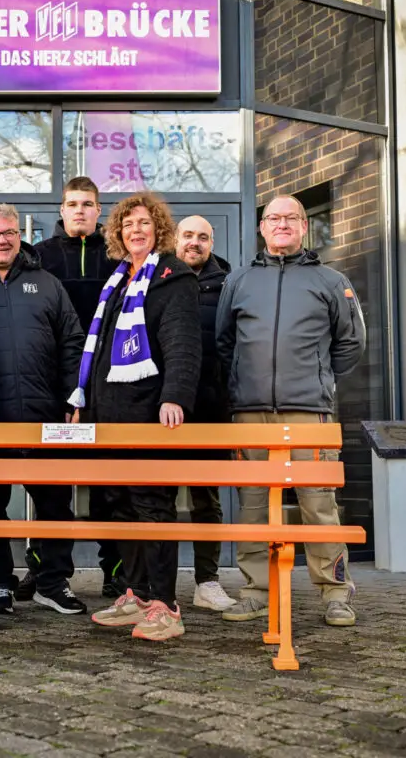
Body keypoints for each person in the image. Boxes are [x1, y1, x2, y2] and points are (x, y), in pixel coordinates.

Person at [215, 194, 366, 627]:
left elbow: (351, 342)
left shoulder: (331, 280)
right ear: (261, 227)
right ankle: (256, 591)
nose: (281, 224)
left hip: (309, 414)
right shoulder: (238, 281)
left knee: (318, 504)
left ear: (304, 226)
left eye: (291, 218)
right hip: (250, 413)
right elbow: (224, 343)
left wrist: (317, 378)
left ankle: (335, 593)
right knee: (253, 506)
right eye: (273, 218)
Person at [70, 192, 201, 642]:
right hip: (109, 415)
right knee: (120, 503)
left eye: (144, 223)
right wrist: (81, 397)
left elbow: (183, 341)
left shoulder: (171, 276)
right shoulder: (118, 280)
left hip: (149, 414)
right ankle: (138, 594)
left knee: (152, 506)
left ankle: (166, 604)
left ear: (159, 228)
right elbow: (99, 349)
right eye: (128, 224)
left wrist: (176, 397)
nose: (136, 230)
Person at [0, 203, 87, 616]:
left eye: (9, 232)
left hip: (44, 415)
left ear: (20, 237)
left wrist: (74, 396)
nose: (2, 240)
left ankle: (52, 582)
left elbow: (73, 342)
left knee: (55, 502)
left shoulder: (48, 283)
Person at [33, 176, 126, 600]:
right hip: (52, 388)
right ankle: (48, 571)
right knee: (51, 484)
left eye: (88, 204)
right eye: (72, 204)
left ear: (98, 209)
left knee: (109, 483)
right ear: (62, 209)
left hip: (109, 385)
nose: (80, 211)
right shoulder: (39, 256)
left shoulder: (119, 256)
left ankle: (117, 569)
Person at [175, 215, 238, 614]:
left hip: (211, 406)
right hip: (162, 407)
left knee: (206, 498)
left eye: (203, 237)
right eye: (188, 235)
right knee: (156, 496)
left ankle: (207, 581)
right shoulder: (157, 277)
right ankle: (152, 581)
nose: (194, 243)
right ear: (175, 240)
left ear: (211, 243)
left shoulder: (230, 284)